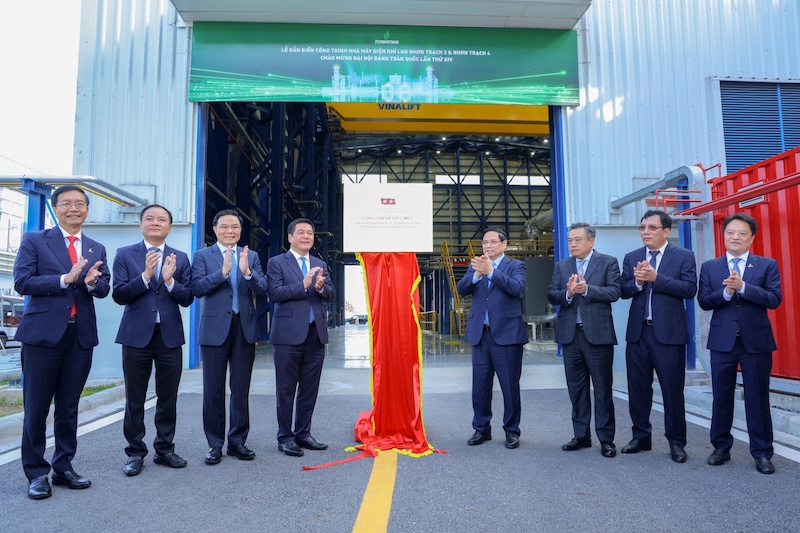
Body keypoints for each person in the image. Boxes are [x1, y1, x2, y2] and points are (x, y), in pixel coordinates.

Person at [14, 185, 110, 500]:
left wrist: (93, 283)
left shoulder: (95, 248)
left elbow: (104, 288)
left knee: (69, 406)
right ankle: (36, 473)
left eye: (80, 204)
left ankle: (64, 466)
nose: (73, 209)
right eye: (67, 203)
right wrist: (64, 279)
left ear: (87, 210)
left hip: (79, 335)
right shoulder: (35, 241)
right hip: (42, 336)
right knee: (37, 406)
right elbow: (22, 282)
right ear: (55, 208)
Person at [112, 205, 194, 476]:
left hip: (169, 336)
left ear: (170, 227)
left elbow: (187, 297)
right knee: (134, 398)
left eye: (162, 219)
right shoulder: (125, 254)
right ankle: (135, 452)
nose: (155, 223)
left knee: (168, 396)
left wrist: (170, 282)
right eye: (149, 218)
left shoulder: (180, 257)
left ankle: (165, 449)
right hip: (136, 336)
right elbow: (119, 295)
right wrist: (146, 276)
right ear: (141, 225)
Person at [698, 213, 781, 474]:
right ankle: (721, 447)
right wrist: (726, 292)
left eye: (742, 233)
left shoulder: (766, 265)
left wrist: (743, 286)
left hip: (756, 341)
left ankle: (762, 453)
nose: (735, 237)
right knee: (721, 396)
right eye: (730, 232)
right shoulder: (710, 267)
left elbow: (774, 299)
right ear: (724, 236)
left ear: (752, 238)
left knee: (757, 397)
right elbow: (704, 301)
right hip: (722, 341)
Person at [191, 209, 268, 465]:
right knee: (213, 390)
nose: (230, 231)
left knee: (240, 389)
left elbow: (263, 287)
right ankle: (214, 445)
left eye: (234, 226)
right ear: (215, 229)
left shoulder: (251, 256)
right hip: (214, 329)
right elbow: (197, 288)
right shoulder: (202, 255)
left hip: (243, 328)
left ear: (240, 230)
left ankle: (237, 442)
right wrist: (222, 272)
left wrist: (247, 273)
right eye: (224, 226)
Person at [620, 210, 697, 463]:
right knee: (638, 389)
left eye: (652, 228)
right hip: (638, 333)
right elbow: (623, 290)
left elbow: (689, 289)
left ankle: (676, 442)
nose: (646, 232)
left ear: (666, 231)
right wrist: (638, 283)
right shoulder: (632, 256)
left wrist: (657, 278)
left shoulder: (683, 256)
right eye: (642, 227)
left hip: (669, 335)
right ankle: (641, 436)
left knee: (672, 391)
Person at [547, 222, 621, 458]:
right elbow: (552, 295)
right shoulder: (562, 265)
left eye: (577, 240)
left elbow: (614, 292)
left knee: (602, 389)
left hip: (598, 336)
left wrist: (587, 289)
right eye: (570, 240)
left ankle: (606, 439)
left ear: (591, 241)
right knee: (576, 389)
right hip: (571, 336)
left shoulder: (608, 262)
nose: (573, 244)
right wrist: (568, 293)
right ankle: (581, 436)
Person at [267, 218, 335, 457]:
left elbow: (331, 293)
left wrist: (320, 288)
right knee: (286, 390)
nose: (306, 236)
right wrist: (303, 284)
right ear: (290, 237)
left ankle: (303, 434)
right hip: (287, 336)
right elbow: (274, 293)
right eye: (301, 232)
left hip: (315, 335)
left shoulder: (319, 263)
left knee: (309, 389)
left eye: (310, 233)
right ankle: (285, 438)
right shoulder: (277, 263)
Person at [457, 228, 528, 449]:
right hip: (481, 335)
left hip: (507, 336)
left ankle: (512, 430)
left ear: (504, 244)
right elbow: (461, 289)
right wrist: (477, 275)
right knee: (480, 386)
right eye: (485, 242)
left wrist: (491, 272)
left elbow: (516, 288)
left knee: (509, 386)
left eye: (493, 242)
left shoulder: (515, 265)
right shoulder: (476, 265)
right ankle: (481, 428)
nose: (488, 246)